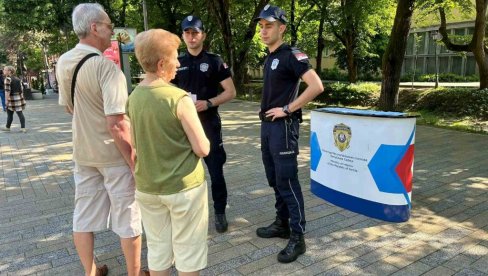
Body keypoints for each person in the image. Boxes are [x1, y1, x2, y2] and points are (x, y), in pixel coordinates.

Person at [55, 3, 142, 276]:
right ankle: (135, 272)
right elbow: (117, 124)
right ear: (94, 27)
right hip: (113, 155)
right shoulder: (107, 69)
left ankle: (90, 272)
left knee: (83, 216)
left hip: (83, 152)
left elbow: (69, 107)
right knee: (128, 217)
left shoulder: (63, 61)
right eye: (108, 25)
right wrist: (134, 161)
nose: (111, 30)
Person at [128, 28, 210, 276]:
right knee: (188, 253)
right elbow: (202, 148)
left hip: (148, 188)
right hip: (183, 188)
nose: (178, 62)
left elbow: (135, 143)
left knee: (158, 249)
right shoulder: (179, 98)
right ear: (162, 63)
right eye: (175, 57)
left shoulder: (133, 97)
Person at [254, 4, 324, 263]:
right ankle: (282, 223)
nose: (263, 30)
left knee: (287, 181)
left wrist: (288, 108)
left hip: (283, 128)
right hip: (267, 127)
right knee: (273, 178)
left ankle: (298, 237)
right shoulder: (270, 57)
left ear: (281, 28)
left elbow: (316, 86)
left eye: (269, 25)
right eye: (261, 26)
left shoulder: (291, 55)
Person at [171, 15, 236, 233]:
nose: (191, 37)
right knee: (184, 174)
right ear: (182, 36)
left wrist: (209, 103)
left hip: (209, 126)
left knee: (216, 172)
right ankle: (187, 215)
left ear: (203, 35)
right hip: (183, 128)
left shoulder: (215, 61)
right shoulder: (177, 63)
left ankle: (219, 212)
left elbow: (231, 92)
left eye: (195, 32)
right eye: (187, 32)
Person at [2, 65, 26, 132]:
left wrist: (6, 100)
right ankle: (23, 128)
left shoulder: (7, 79)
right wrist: (22, 98)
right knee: (20, 113)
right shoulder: (18, 79)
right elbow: (21, 89)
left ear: (9, 71)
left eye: (5, 70)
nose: (3, 71)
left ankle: (7, 127)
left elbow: (7, 91)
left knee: (9, 114)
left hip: (11, 98)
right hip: (18, 97)